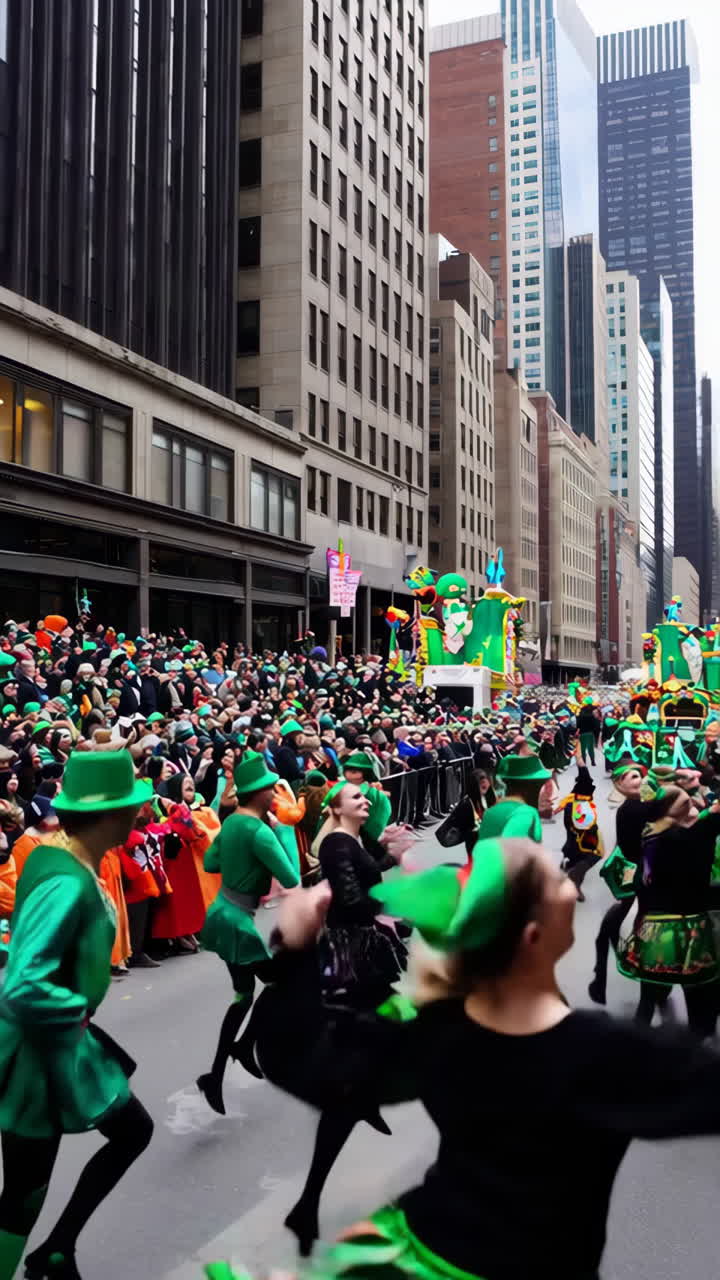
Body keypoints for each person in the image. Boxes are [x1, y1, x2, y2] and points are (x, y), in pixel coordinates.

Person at [249, 838, 720, 1280]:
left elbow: (309, 1067)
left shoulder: (435, 1026)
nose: (568, 880)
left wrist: (294, 955)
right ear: (533, 937)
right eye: (556, 877)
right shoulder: (601, 1053)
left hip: (427, 1251)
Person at [0, 751, 153, 1279]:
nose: (140, 812)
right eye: (132, 805)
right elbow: (24, 983)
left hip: (60, 1039)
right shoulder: (65, 880)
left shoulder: (71, 862)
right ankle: (45, 1256)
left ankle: (57, 1250)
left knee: (132, 1132)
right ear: (109, 814)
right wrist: (75, 1014)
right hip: (37, 1053)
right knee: (24, 1192)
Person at [196, 751, 300, 1116]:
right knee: (280, 984)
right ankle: (243, 1047)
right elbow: (290, 877)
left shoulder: (231, 823)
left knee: (243, 995)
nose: (275, 793)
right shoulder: (259, 830)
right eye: (271, 788)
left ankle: (216, 1074)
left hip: (222, 912)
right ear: (258, 793)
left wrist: (240, 862)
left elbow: (211, 863)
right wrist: (277, 831)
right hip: (237, 920)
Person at [618, 786, 720, 1037]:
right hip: (688, 931)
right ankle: (695, 1050)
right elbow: (708, 828)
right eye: (686, 804)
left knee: (647, 1000)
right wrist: (712, 815)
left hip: (653, 930)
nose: (692, 807)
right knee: (696, 999)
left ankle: (632, 1048)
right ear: (670, 811)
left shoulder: (651, 836)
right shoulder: (684, 839)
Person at [588, 763, 665, 1006]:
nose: (639, 779)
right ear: (619, 784)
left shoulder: (632, 807)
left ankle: (602, 971)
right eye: (632, 777)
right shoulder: (635, 808)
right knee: (643, 920)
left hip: (637, 870)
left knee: (622, 914)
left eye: (640, 775)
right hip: (641, 872)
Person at [475, 754, 548, 843]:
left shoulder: (490, 813)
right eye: (539, 785)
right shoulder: (529, 814)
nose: (542, 791)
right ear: (528, 787)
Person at [556, 766, 603, 902]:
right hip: (580, 836)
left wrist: (580, 762)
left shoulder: (573, 799)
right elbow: (582, 825)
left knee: (574, 851)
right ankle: (574, 882)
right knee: (593, 856)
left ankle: (568, 861)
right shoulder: (577, 804)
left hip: (574, 836)